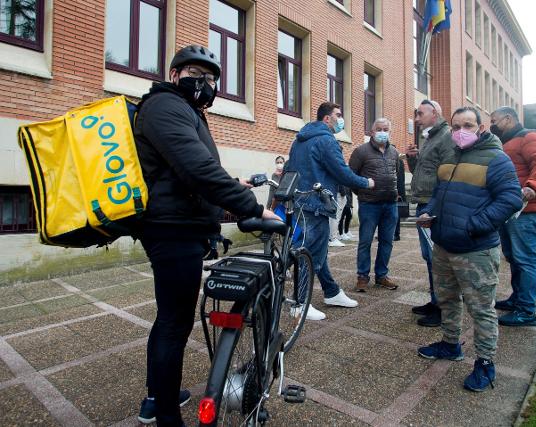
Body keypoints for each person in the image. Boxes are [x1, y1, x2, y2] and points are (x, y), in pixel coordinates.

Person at [133, 45, 280, 426]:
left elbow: (186, 175)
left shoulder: (186, 111)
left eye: (212, 78)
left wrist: (233, 185)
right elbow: (197, 170)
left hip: (181, 225)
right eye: (196, 73)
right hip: (172, 231)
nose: (206, 83)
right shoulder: (164, 106)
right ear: (174, 74)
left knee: (170, 317)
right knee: (174, 323)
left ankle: (157, 395)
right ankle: (164, 414)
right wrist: (252, 206)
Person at [417, 106, 522, 392]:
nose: (462, 131)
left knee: (481, 309)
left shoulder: (496, 159)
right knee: (447, 300)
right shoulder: (450, 155)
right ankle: (450, 344)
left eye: (469, 125)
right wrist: (431, 213)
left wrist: (474, 224)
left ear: (481, 127)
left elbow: (511, 199)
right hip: (444, 246)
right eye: (456, 126)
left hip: (475, 250)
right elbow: (440, 192)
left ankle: (485, 363)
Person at [286, 102, 374, 321]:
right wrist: (367, 182)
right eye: (338, 114)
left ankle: (332, 292)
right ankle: (299, 303)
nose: (340, 119)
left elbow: (290, 168)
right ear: (327, 119)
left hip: (301, 201)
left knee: (318, 253)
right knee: (310, 255)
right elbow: (341, 172)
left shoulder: (299, 140)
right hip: (316, 204)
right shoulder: (326, 140)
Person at [490, 106, 536, 327]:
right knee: (515, 258)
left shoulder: (531, 137)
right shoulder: (506, 143)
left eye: (494, 120)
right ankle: (517, 299)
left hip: (527, 211)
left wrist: (532, 187)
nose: (492, 125)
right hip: (510, 212)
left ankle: (526, 311)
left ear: (508, 119)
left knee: (525, 260)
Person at [406, 99, 457, 327]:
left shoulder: (445, 136)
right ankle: (435, 300)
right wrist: (412, 158)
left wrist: (435, 207)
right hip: (424, 203)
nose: (416, 118)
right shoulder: (430, 136)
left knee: (437, 258)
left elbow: (447, 173)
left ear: (434, 113)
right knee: (430, 257)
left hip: (432, 206)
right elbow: (422, 171)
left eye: (420, 113)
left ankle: (442, 308)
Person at [349, 118, 401, 292]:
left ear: (390, 132)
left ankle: (382, 275)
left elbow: (397, 175)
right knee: (365, 241)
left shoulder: (394, 152)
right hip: (369, 205)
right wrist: (363, 193)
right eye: (379, 129)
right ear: (371, 132)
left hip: (390, 205)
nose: (382, 132)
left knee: (387, 241)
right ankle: (362, 277)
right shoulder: (360, 152)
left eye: (386, 129)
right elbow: (351, 177)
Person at [394, 148, 406, 241]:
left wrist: (398, 192)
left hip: (397, 192)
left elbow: (400, 179)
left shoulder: (399, 162)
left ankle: (396, 234)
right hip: (391, 191)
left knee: (395, 215)